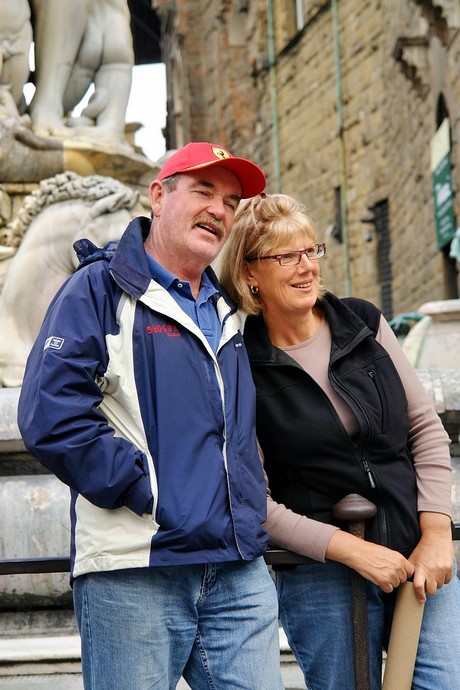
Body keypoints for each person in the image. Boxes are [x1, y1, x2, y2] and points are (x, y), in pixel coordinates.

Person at [17, 143, 285, 690]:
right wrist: (148, 490)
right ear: (158, 196)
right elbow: (49, 413)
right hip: (134, 569)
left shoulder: (229, 306)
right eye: (203, 191)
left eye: (231, 201)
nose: (219, 209)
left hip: (237, 570)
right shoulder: (97, 289)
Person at [218, 192, 460, 690]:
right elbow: (254, 501)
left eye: (312, 251)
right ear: (250, 274)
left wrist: (437, 532)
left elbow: (425, 429)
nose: (306, 267)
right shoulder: (239, 359)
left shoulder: (362, 323)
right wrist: (351, 550)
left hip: (417, 551)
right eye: (287, 256)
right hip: (321, 575)